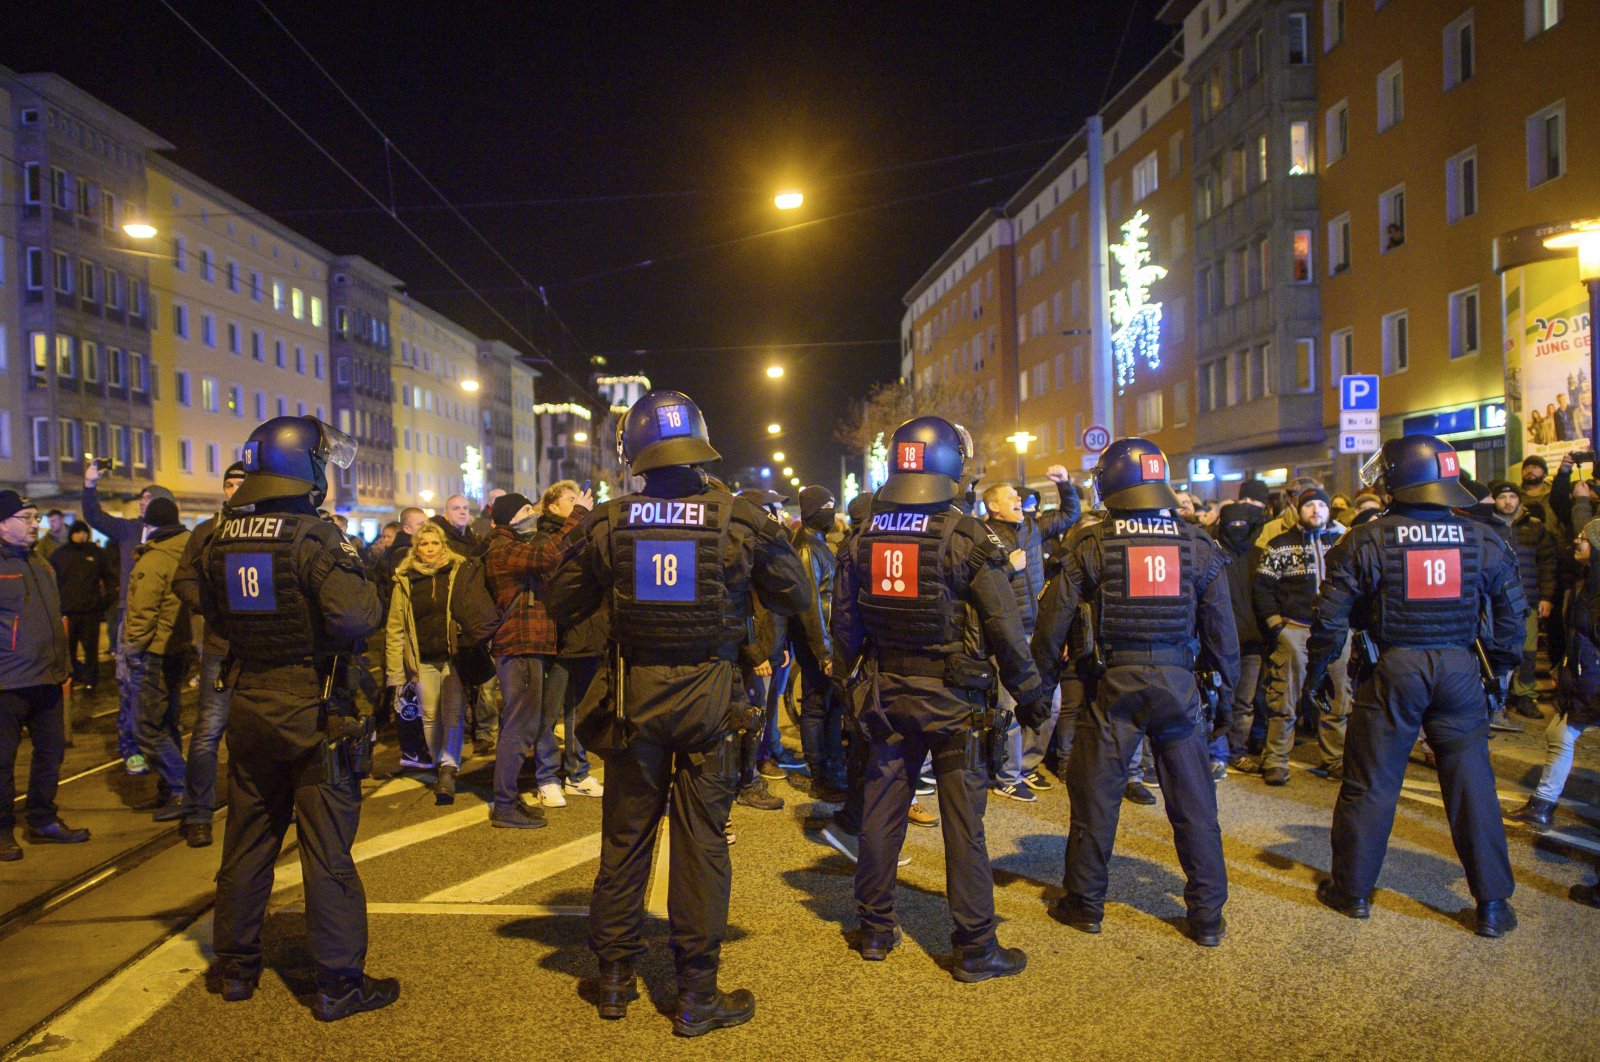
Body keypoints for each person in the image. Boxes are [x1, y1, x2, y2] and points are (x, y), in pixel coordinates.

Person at [545, 390, 808, 1035]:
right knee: (701, 844)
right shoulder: (736, 517)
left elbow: (561, 603)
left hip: (633, 698)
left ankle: (613, 980)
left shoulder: (608, 522)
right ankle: (697, 995)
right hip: (710, 698)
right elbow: (795, 592)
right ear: (700, 443)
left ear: (632, 451)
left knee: (625, 840)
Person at [832, 416, 1050, 978]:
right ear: (952, 462)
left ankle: (875, 928)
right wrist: (1029, 694)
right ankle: (975, 947)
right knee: (962, 823)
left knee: (882, 812)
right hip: (956, 699)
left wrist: (846, 680)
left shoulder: (864, 535)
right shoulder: (967, 537)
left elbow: (845, 625)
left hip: (886, 693)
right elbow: (1004, 624)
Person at [194, 416, 396, 1019]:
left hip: (250, 702)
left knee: (248, 842)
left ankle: (235, 968)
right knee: (326, 852)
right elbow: (358, 620)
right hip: (315, 710)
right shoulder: (314, 537)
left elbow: (210, 613)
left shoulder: (214, 536)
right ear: (305, 468)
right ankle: (338, 984)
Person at [1304, 435, 1523, 937]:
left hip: (1394, 670)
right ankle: (1491, 905)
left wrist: (1318, 675)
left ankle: (1353, 892)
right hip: (1460, 667)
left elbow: (1330, 619)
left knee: (1371, 783)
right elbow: (1513, 616)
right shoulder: (1484, 538)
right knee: (1473, 787)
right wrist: (1500, 675)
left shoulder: (1366, 539)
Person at [1032, 438, 1240, 947]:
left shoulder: (1093, 545)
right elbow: (1222, 634)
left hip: (1114, 682)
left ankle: (1084, 904)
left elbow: (1051, 625)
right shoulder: (1197, 544)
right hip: (1178, 682)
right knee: (1195, 803)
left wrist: (1035, 692)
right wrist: (1228, 703)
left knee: (1096, 798)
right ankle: (1207, 916)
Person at [482, 490, 588, 825]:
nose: (533, 514)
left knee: (522, 726)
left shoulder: (513, 545)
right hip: (520, 644)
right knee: (519, 727)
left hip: (528, 645)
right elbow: (548, 555)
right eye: (526, 510)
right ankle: (504, 805)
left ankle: (509, 798)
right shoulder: (503, 548)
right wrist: (579, 515)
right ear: (509, 517)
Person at [980, 467, 1080, 800]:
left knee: (1050, 703)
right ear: (994, 507)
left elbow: (1070, 514)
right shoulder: (984, 537)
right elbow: (981, 586)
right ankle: (1007, 775)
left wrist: (1064, 483)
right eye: (1011, 496)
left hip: (1040, 632)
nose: (1018, 499)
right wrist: (1010, 568)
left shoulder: (1033, 528)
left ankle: (1028, 765)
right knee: (1008, 706)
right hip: (1009, 634)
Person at [0, 491, 88, 861]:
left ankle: (41, 817)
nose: (34, 523)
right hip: (8, 683)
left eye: (35, 517)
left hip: (49, 678)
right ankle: (3, 830)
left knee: (50, 754)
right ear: (3, 523)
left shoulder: (42, 563)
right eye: (25, 517)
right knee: (3, 761)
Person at [1242, 487, 1351, 785]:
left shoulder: (1344, 544)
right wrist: (1278, 627)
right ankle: (1276, 759)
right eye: (1309, 505)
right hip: (1296, 630)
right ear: (1298, 510)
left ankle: (1336, 758)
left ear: (1329, 511)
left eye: (1321, 505)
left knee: (1337, 698)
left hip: (1336, 632)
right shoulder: (1279, 545)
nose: (1316, 510)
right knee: (1283, 699)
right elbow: (1263, 589)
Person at [170, 462, 248, 847]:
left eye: (241, 483)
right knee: (208, 731)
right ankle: (198, 811)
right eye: (229, 484)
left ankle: (253, 805)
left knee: (256, 732)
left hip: (259, 648)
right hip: (221, 646)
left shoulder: (267, 525)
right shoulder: (207, 531)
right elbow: (182, 579)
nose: (234, 490)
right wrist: (211, 605)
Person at [82, 464, 177, 775]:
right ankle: (130, 747)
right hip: (130, 615)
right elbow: (95, 517)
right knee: (128, 683)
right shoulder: (128, 530)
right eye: (142, 497)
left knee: (161, 685)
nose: (142, 501)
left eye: (150, 497)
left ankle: (159, 744)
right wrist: (90, 484)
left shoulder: (173, 537)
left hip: (166, 619)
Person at [386, 523, 487, 804]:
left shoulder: (457, 572)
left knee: (452, 712)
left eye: (435, 543)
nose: (430, 549)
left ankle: (449, 764)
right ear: (416, 548)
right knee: (430, 714)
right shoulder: (405, 580)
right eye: (424, 544)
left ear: (443, 545)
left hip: (451, 656)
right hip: (421, 660)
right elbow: (395, 629)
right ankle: (439, 759)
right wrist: (395, 673)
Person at [1511, 524, 1600, 829]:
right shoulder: (1584, 583)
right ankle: (1542, 805)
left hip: (1593, 680)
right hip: (1585, 677)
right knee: (1559, 734)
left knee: (1561, 734)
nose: (1577, 540)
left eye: (1585, 539)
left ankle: (1542, 805)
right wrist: (1564, 668)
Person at [534, 480, 606, 805]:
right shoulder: (547, 538)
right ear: (552, 507)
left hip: (586, 634)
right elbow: (554, 568)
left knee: (578, 708)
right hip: (558, 635)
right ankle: (546, 776)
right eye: (572, 500)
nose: (581, 503)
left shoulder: (587, 532)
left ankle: (577, 772)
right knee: (549, 711)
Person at [124, 497, 193, 822]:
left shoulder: (154, 560)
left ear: (150, 526)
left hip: (153, 651)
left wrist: (132, 650)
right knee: (167, 722)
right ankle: (172, 789)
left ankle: (185, 787)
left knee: (145, 727)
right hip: (178, 648)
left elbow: (142, 614)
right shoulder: (187, 549)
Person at [1483, 481, 1557, 723]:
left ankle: (1525, 694)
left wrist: (1546, 596)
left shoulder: (1534, 528)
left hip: (1527, 599)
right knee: (1498, 648)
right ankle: (1498, 696)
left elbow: (1547, 564)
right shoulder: (1486, 528)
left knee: (1528, 650)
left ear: (1519, 500)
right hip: (1495, 600)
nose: (1508, 502)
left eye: (1512, 497)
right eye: (1503, 497)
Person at [790, 485, 845, 801]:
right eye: (827, 506)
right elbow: (811, 604)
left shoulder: (818, 543)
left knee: (829, 706)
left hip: (825, 639)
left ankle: (833, 769)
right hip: (817, 643)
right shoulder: (808, 549)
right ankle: (820, 775)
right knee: (816, 706)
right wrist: (824, 652)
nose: (832, 513)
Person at [1208, 500, 1268, 775]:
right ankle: (1217, 753)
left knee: (1244, 703)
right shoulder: (1214, 555)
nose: (1236, 529)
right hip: (1220, 641)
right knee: (1220, 699)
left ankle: (1237, 751)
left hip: (1252, 643)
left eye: (1242, 524)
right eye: (1231, 524)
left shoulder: (1258, 555)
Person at [49, 521, 117, 691]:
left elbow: (109, 578)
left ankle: (91, 680)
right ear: (71, 534)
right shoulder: (60, 555)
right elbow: (50, 580)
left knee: (90, 650)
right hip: (67, 612)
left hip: (90, 612)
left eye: (84, 532)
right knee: (68, 650)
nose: (81, 535)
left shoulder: (96, 553)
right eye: (77, 532)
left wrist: (104, 601)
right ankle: (69, 679)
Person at [433, 494, 481, 559]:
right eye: (456, 508)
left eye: (465, 508)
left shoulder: (474, 537)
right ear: (446, 515)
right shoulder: (439, 539)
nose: (462, 512)